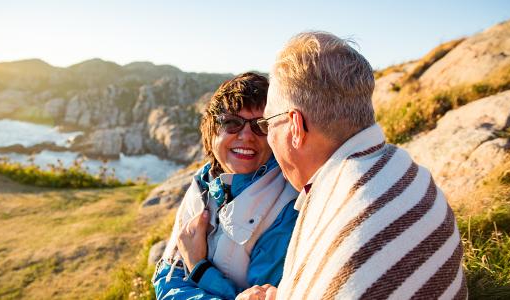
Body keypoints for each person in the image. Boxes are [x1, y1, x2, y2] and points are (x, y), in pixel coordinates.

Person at [241, 31, 467, 299]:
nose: (267, 136)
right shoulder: (409, 172)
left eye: (267, 124)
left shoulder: (332, 209)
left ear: (295, 126)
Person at [152, 72, 299, 299]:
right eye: (232, 123)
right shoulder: (202, 184)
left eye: (261, 125)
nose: (247, 136)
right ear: (211, 131)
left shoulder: (287, 206)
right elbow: (167, 279)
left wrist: (198, 268)